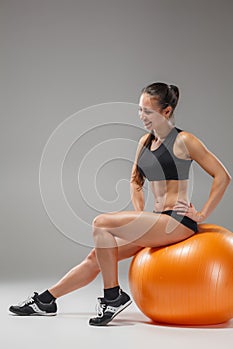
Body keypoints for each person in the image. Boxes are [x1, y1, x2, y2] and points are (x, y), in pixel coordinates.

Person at [9, 82, 231, 326]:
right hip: (158, 222)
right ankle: (45, 301)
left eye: (148, 111)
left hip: (177, 223)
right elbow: (136, 180)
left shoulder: (184, 141)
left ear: (166, 112)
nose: (142, 116)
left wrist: (201, 214)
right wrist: (139, 217)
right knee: (97, 256)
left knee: (101, 224)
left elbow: (223, 176)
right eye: (140, 110)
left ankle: (112, 296)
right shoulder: (145, 142)